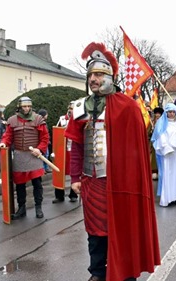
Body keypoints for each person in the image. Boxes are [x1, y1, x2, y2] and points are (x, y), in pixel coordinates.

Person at [65, 42, 160, 281]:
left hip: (121, 182)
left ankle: (126, 273)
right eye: (90, 75)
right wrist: (75, 177)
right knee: (95, 231)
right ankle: (97, 272)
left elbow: (137, 149)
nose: (93, 79)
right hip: (92, 181)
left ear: (110, 76)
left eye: (98, 74)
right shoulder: (79, 108)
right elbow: (75, 146)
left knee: (123, 229)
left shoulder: (128, 106)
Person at [0, 97, 49, 219]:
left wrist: (39, 149)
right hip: (20, 155)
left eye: (28, 106)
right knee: (20, 185)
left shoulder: (38, 119)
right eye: (24, 107)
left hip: (34, 156)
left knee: (37, 183)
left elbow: (45, 137)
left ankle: (38, 207)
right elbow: (8, 136)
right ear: (19, 107)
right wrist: (3, 142)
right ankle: (21, 208)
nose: (26, 109)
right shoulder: (12, 120)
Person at [151, 103, 176, 206]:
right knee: (169, 174)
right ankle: (169, 197)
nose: (172, 114)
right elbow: (160, 137)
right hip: (169, 154)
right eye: (169, 112)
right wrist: (168, 147)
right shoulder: (161, 124)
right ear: (166, 113)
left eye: (173, 112)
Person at [52, 102, 78, 203]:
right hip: (62, 150)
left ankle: (73, 194)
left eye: (74, 108)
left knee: (74, 171)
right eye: (70, 108)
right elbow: (57, 132)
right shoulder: (62, 119)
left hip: (74, 149)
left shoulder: (79, 119)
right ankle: (59, 195)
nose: (72, 110)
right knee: (59, 171)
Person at [37, 109, 53, 174]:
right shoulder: (42, 123)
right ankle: (44, 169)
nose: (47, 115)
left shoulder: (41, 122)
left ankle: (45, 168)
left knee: (45, 155)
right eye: (46, 114)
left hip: (45, 142)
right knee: (44, 156)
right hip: (43, 143)